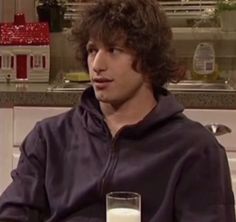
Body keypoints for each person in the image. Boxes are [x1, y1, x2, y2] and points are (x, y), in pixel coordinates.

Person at [0, 0, 235, 221]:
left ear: (148, 59)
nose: (97, 65)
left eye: (114, 50)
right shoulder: (49, 138)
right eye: (92, 50)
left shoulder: (195, 150)